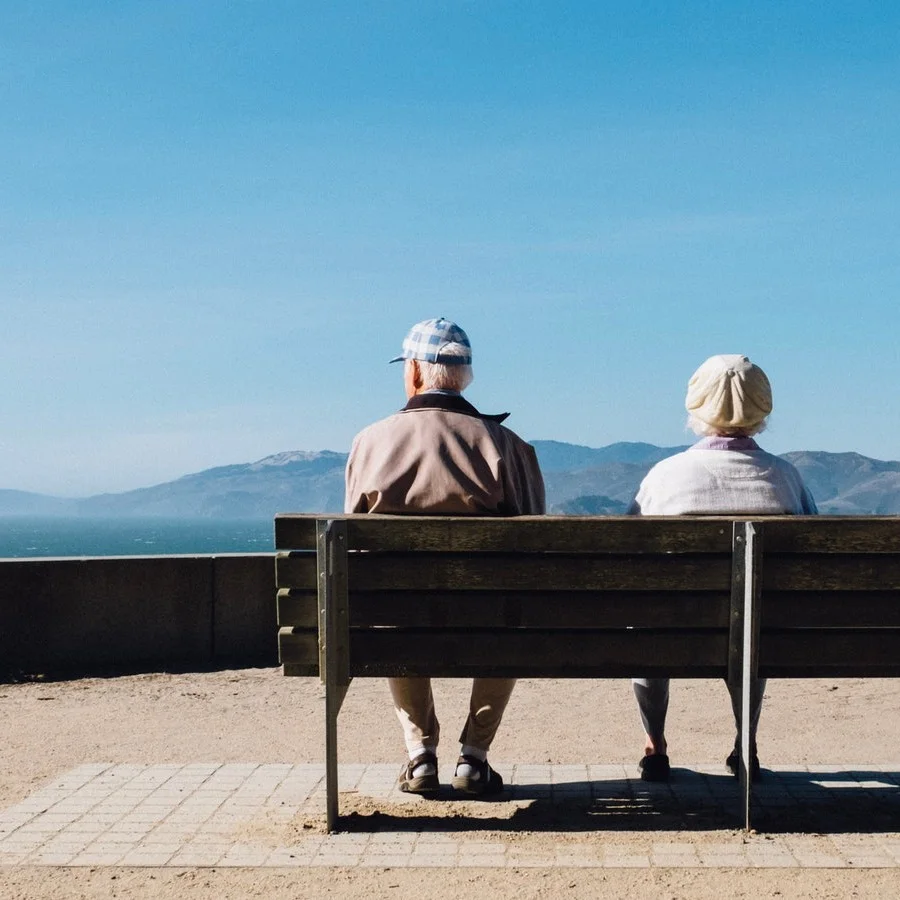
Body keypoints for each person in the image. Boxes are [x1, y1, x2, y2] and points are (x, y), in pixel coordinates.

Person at [345, 317, 546, 796]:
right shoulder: (508, 447)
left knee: (392, 610)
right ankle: (474, 758)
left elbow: (352, 544)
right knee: (510, 615)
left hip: (401, 618)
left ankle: (420, 756)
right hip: (490, 617)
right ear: (464, 377)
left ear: (414, 372)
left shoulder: (370, 441)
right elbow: (538, 543)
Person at [628, 354, 817, 783]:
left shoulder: (665, 477)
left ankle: (655, 746)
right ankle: (744, 742)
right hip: (762, 632)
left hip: (673, 632)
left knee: (647, 627)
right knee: (752, 624)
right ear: (762, 409)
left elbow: (631, 562)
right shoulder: (786, 479)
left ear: (695, 408)